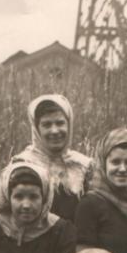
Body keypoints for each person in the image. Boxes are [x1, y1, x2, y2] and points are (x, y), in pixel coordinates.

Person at [15, 94, 93, 222]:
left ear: (69, 124)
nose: (55, 131)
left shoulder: (83, 166)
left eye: (60, 123)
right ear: (36, 129)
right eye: (46, 124)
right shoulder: (23, 164)